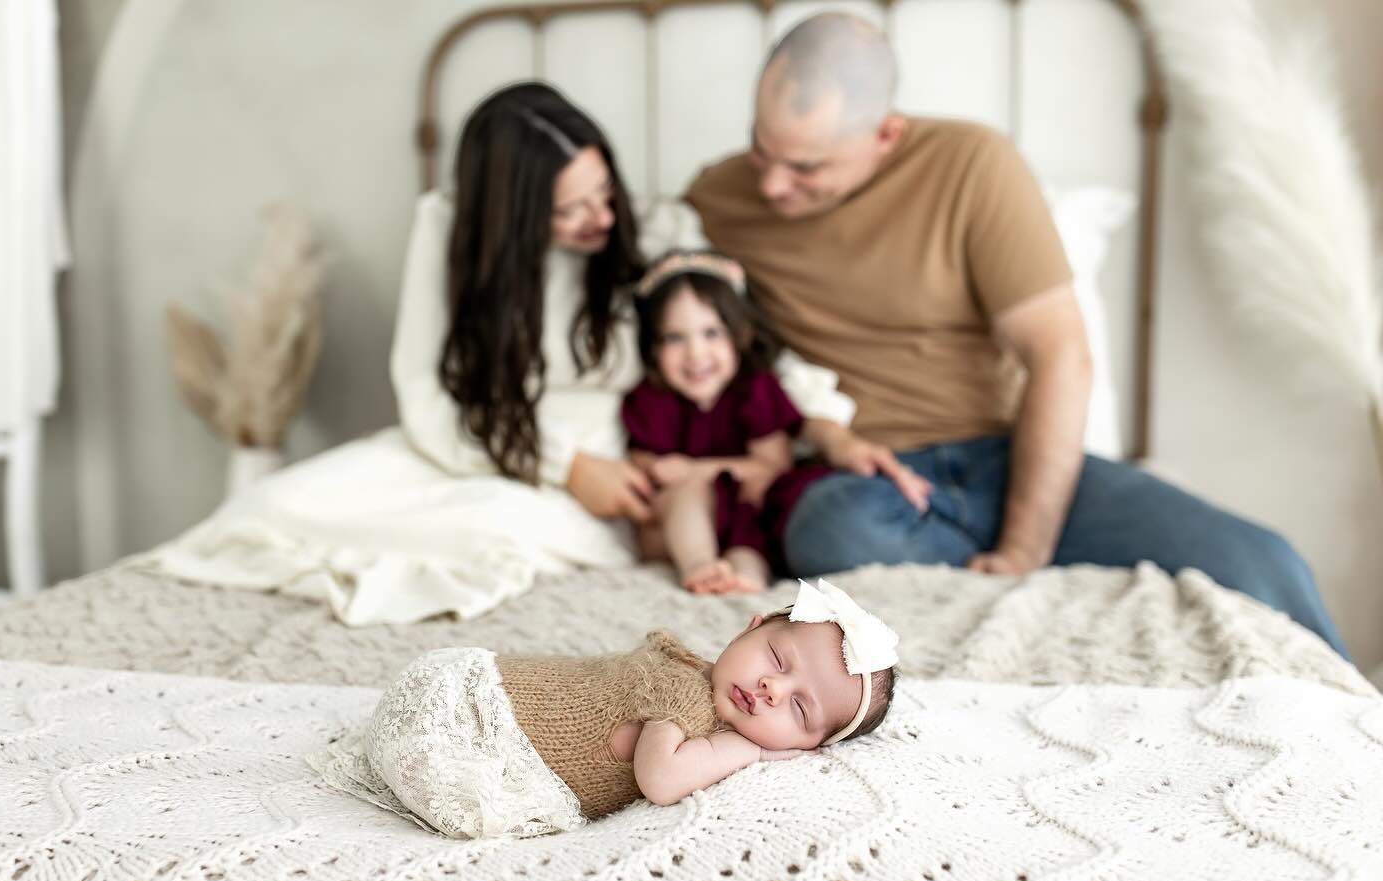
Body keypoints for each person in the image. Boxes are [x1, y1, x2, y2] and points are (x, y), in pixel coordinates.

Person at [683, 13, 1348, 657]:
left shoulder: (972, 164)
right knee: (826, 530)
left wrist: (1024, 549)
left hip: (1012, 457)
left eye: (806, 168)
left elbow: (1061, 355)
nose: (771, 184)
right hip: (876, 480)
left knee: (1262, 560)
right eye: (760, 149)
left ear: (886, 134)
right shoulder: (717, 201)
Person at [156, 81, 869, 624]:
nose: (601, 217)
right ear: (514, 214)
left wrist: (827, 421)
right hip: (478, 442)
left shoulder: (654, 229)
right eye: (570, 208)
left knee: (474, 533)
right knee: (278, 505)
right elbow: (430, 400)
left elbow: (742, 342)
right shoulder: (447, 228)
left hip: (612, 471)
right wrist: (561, 464)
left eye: (603, 191)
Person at [308, 578, 899, 838]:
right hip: (459, 707)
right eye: (775, 657)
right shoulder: (682, 691)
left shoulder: (706, 698)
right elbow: (661, 779)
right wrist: (743, 746)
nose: (771, 688)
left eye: (797, 709)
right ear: (749, 627)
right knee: (470, 807)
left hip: (447, 701)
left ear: (812, 747)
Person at [623, 250, 933, 593]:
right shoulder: (652, 398)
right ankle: (699, 566)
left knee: (749, 536)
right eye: (675, 338)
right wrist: (673, 474)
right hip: (685, 520)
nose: (696, 353)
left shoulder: (755, 389)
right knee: (686, 494)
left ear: (742, 335)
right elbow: (648, 467)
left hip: (748, 507)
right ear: (652, 348)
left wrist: (695, 469)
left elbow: (771, 466)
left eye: (712, 333)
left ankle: (745, 581)